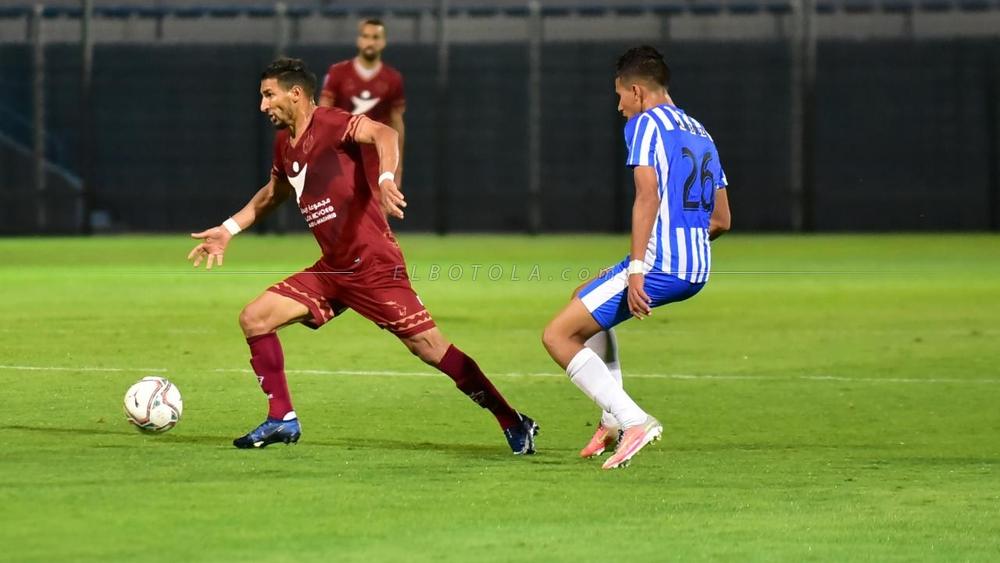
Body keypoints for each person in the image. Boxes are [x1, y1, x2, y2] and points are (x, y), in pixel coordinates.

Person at [187, 57, 538, 454]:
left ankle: (513, 420)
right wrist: (228, 229)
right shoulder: (284, 143)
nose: (263, 105)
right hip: (332, 270)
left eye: (269, 95)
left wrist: (386, 178)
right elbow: (273, 194)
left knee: (431, 350)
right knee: (255, 318)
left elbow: (385, 134)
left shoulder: (333, 124)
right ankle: (281, 418)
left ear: (296, 93)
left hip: (373, 266)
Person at [541, 46, 731, 470]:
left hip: (660, 263)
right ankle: (613, 417)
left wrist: (639, 271)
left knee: (556, 336)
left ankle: (632, 420)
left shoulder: (645, 124)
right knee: (582, 301)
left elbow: (647, 196)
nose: (619, 107)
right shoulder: (701, 132)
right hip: (696, 268)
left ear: (637, 91)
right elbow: (722, 219)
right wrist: (686, 250)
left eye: (620, 96)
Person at [319, 18, 405, 188]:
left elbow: (397, 124)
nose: (370, 42)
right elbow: (321, 116)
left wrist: (397, 167)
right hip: (341, 161)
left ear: (383, 42)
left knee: (377, 214)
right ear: (359, 40)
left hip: (377, 165)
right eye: (366, 36)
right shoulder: (338, 73)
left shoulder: (392, 79)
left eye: (375, 37)